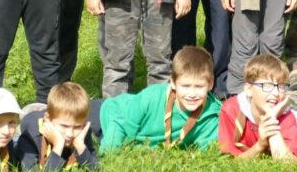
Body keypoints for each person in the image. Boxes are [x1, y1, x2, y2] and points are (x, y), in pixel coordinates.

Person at [91, 46, 221, 153]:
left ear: (210, 84)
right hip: (107, 116)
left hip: (128, 139)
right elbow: (120, 123)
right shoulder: (152, 97)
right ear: (173, 83)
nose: (192, 94)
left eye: (199, 86)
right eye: (185, 86)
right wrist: (107, 155)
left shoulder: (210, 117)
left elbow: (208, 150)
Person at [218, 54, 297, 160]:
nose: (276, 93)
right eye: (267, 86)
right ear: (248, 89)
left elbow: (287, 164)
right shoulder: (232, 109)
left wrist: (272, 120)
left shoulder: (286, 116)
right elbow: (229, 159)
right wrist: (260, 145)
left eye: (281, 86)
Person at [15, 81, 99, 172]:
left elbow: (96, 171)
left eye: (77, 127)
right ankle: (34, 109)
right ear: (47, 119)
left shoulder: (82, 131)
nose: (70, 134)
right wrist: (58, 146)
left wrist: (80, 146)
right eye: (64, 126)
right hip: (29, 122)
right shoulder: (31, 135)